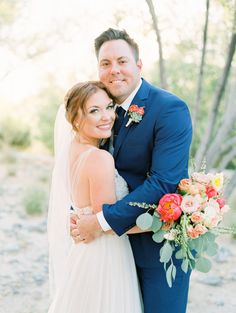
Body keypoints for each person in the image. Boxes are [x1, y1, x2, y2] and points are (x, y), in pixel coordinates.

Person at [70, 28, 193, 313]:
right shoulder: (100, 110)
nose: (114, 70)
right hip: (111, 254)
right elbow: (82, 166)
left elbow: (164, 183)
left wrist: (99, 221)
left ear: (138, 65)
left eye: (122, 61)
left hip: (156, 248)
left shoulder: (169, 109)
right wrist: (78, 214)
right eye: (105, 63)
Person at [47, 81, 143, 313]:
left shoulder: (70, 150)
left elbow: (87, 208)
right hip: (106, 256)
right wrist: (164, 224)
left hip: (83, 253)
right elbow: (107, 223)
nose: (107, 116)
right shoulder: (99, 159)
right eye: (94, 111)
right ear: (75, 118)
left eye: (109, 107)